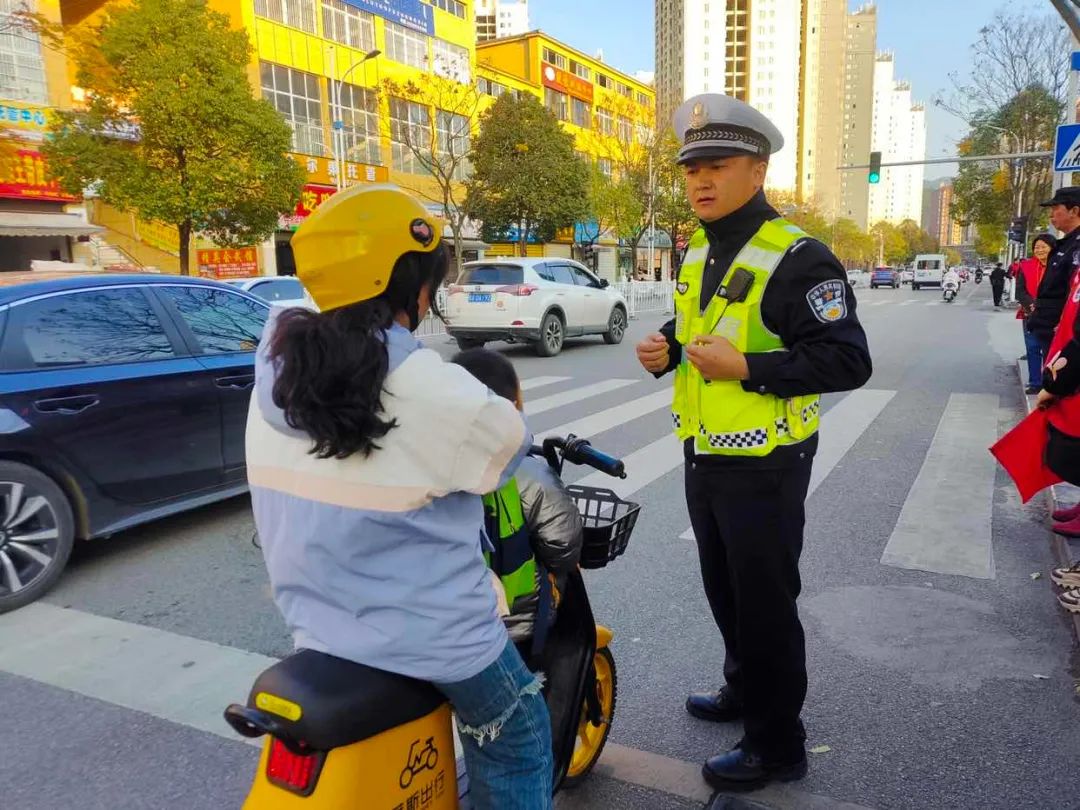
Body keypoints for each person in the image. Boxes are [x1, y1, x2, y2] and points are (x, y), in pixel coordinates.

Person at [247, 184, 553, 810]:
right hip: (439, 639)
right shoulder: (435, 389)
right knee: (518, 735)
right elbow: (509, 447)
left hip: (318, 625)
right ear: (415, 285)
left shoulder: (275, 360)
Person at [635, 93, 872, 791]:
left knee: (766, 601)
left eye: (719, 164)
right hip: (705, 453)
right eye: (691, 169)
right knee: (725, 588)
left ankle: (777, 744)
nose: (701, 180)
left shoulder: (798, 257)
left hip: (768, 462)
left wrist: (749, 370)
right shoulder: (700, 248)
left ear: (758, 169)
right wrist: (667, 350)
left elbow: (847, 361)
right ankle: (745, 690)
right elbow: (702, 326)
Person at [450, 347, 584, 659]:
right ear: (513, 406)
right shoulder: (528, 472)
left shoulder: (435, 462)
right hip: (513, 624)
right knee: (530, 709)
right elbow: (564, 548)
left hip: (445, 615)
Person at [1028, 187, 1080, 358]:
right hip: (1048, 327)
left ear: (1074, 211)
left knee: (1059, 381)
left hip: (1064, 335)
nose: (1052, 214)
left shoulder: (1076, 247)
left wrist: (1066, 323)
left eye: (1056, 208)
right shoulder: (1064, 244)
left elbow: (1075, 292)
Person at [1016, 234, 1057, 394]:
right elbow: (1020, 291)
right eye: (1036, 247)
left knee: (1049, 349)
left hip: (1051, 316)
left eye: (1043, 247)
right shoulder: (1026, 266)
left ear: (1052, 248)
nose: (1039, 250)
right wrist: (1032, 305)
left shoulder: (1059, 266)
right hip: (1030, 314)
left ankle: (1049, 383)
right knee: (1032, 348)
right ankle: (1035, 383)